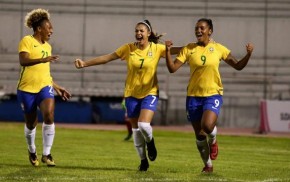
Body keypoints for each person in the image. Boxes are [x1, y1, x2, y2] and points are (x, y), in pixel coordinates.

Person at [74, 20, 181, 171]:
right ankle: (143, 161)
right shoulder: (128, 48)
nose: (138, 33)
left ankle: (150, 143)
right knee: (136, 129)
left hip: (150, 92)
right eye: (136, 31)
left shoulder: (157, 48)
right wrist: (85, 63)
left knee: (144, 125)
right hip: (131, 94)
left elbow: (176, 50)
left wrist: (192, 47)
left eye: (141, 31)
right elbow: (108, 58)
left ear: (148, 33)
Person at [165, 18, 254, 173]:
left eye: (202, 28)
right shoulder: (189, 48)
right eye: (196, 28)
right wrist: (167, 51)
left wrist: (249, 54)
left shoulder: (219, 48)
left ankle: (213, 140)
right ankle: (208, 165)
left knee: (207, 126)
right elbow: (172, 69)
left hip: (213, 94)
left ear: (210, 31)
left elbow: (238, 66)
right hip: (193, 96)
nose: (198, 31)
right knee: (199, 136)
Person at [17, 8, 71, 167]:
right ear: (39, 28)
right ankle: (32, 150)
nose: (51, 30)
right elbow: (23, 61)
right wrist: (42, 59)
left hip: (44, 87)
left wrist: (57, 87)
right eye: (49, 27)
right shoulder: (27, 41)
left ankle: (47, 154)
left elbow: (45, 73)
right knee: (31, 123)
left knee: (49, 114)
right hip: (26, 89)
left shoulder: (47, 46)